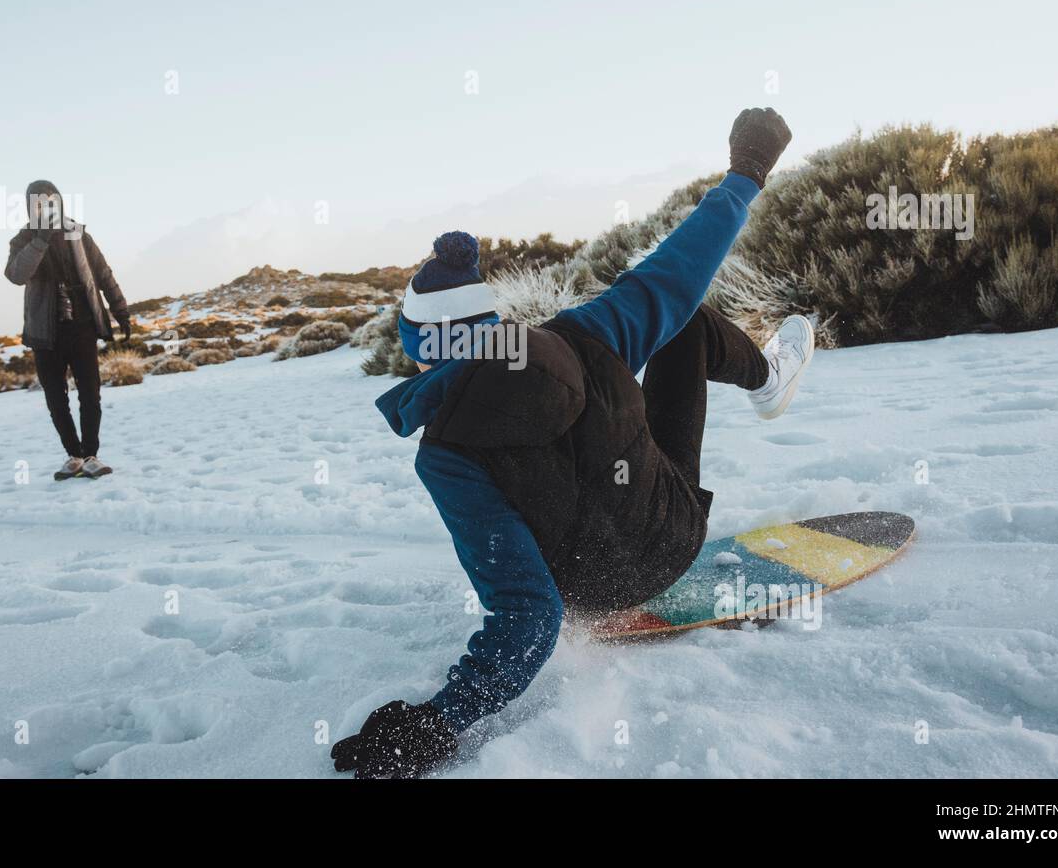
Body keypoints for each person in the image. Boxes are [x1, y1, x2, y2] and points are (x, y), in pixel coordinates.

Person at [332, 108, 813, 778]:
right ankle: (768, 380)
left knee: (670, 326)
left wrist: (436, 722)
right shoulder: (586, 333)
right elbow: (684, 262)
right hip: (676, 535)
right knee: (683, 319)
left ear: (423, 354)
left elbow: (530, 618)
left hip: (593, 595)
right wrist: (747, 170)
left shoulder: (445, 456)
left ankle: (761, 384)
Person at [4, 180, 131, 481]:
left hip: (82, 326)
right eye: (38, 203)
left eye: (50, 201)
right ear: (29, 207)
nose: (45, 207)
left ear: (59, 203)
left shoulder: (79, 233)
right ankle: (72, 455)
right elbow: (16, 275)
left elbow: (103, 273)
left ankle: (91, 456)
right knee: (56, 399)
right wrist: (40, 240)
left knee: (90, 394)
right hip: (45, 333)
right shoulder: (22, 240)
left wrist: (121, 310)